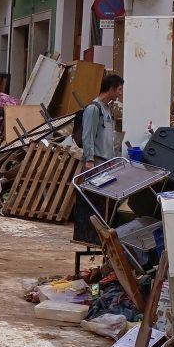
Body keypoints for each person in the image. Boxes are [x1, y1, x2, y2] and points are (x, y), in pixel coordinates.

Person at [71, 73, 124, 245]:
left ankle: (100, 236)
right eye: (119, 90)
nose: (120, 94)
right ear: (111, 89)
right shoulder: (94, 109)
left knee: (103, 202)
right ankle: (91, 236)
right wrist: (89, 161)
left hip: (107, 162)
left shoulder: (107, 109)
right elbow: (88, 137)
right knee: (93, 201)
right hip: (96, 163)